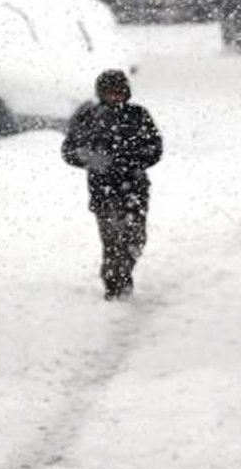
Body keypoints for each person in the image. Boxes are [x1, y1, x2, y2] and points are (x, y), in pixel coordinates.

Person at [61, 69, 164, 301]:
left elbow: (155, 148)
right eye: (109, 92)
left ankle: (123, 271)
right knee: (112, 241)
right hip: (103, 190)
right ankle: (115, 286)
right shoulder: (88, 118)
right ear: (100, 93)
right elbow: (69, 150)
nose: (115, 97)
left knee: (135, 238)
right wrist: (88, 158)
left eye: (119, 92)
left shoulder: (138, 115)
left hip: (134, 188)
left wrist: (130, 160)